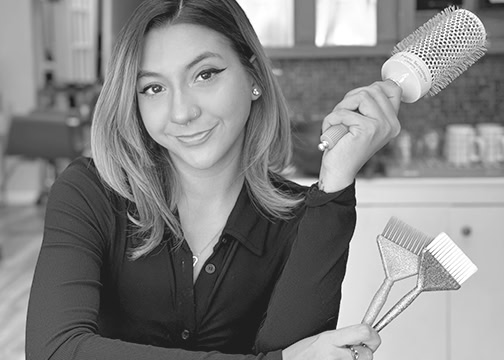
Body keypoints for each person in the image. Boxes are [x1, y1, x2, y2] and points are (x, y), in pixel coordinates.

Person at [25, 0, 401, 359]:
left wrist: (335, 181)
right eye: (153, 88)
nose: (182, 112)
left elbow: (294, 347)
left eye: (204, 75)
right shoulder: (88, 193)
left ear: (253, 76)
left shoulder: (301, 219)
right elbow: (54, 351)